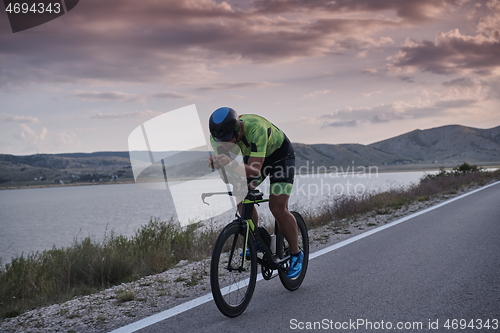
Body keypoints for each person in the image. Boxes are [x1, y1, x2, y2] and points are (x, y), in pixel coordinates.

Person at [207, 107, 303, 278]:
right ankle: (256, 238)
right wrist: (221, 167)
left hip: (281, 157)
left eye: (227, 138)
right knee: (239, 191)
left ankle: (296, 254)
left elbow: (253, 171)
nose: (224, 143)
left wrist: (230, 163)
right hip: (255, 157)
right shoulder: (219, 138)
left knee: (277, 207)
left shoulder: (256, 128)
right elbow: (229, 180)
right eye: (219, 139)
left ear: (237, 130)